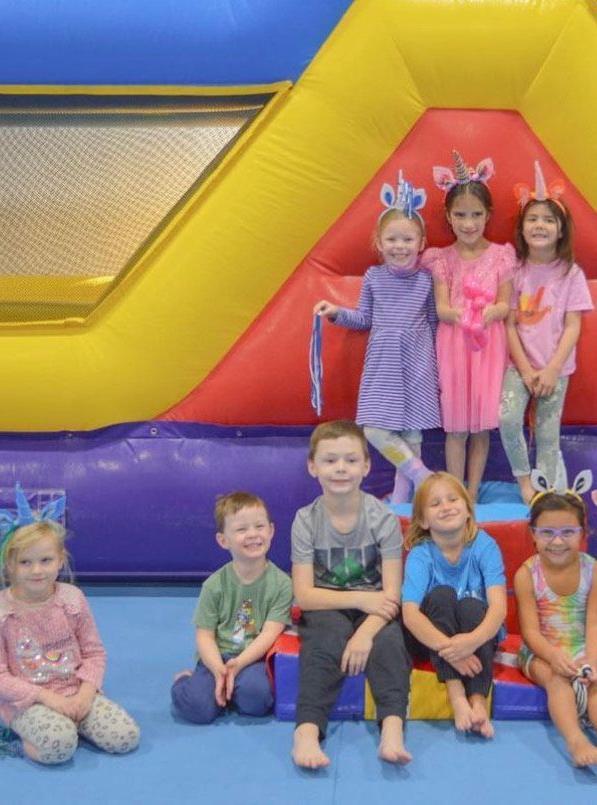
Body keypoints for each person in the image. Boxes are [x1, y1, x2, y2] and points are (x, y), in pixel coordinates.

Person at [0, 486, 139, 764]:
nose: (37, 570)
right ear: (10, 565)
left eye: (45, 560)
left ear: (60, 560)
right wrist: (48, 699)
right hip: (30, 701)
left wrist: (85, 696)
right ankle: (41, 730)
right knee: (59, 747)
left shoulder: (72, 599)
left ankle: (72, 723)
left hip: (76, 692)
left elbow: (94, 653)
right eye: (25, 562)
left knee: (126, 737)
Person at [290, 420, 412, 768]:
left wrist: (364, 632)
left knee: (389, 644)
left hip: (378, 610)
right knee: (324, 641)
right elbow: (305, 596)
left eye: (350, 460)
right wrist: (359, 599)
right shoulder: (306, 520)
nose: (340, 468)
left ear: (366, 466)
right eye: (330, 461)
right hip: (332, 604)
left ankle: (392, 728)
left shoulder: (383, 519)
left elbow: (392, 594)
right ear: (313, 467)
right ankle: (307, 732)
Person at [314, 171, 441, 504]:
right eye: (392, 240)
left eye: (408, 240)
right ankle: (425, 478)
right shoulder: (373, 276)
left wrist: (442, 368)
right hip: (384, 363)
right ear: (380, 242)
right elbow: (364, 318)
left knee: (412, 435)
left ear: (421, 243)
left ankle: (401, 501)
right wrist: (336, 312)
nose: (400, 247)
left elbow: (434, 322)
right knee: (375, 429)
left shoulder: (428, 279)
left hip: (417, 361)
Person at [422, 150, 514, 499]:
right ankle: (455, 489)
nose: (469, 223)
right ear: (449, 216)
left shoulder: (502, 255)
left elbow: (506, 302)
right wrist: (465, 314)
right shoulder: (441, 258)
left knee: (482, 428)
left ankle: (472, 490)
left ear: (488, 215)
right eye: (461, 215)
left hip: (488, 346)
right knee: (457, 426)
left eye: (476, 215)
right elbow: (443, 307)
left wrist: (492, 311)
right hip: (455, 345)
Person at [500, 162, 593, 503]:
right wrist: (525, 370)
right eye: (533, 219)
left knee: (547, 434)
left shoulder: (571, 274)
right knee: (508, 418)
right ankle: (526, 482)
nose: (540, 225)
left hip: (557, 369)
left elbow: (573, 325)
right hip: (518, 366)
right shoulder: (515, 271)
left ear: (561, 229)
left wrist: (552, 369)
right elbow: (509, 323)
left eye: (548, 219)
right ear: (522, 227)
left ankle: (545, 491)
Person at [514, 490, 597, 767]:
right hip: (540, 652)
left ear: (582, 532)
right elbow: (530, 632)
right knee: (558, 682)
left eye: (568, 532)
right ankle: (576, 740)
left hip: (584, 647)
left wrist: (592, 658)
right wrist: (552, 656)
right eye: (547, 532)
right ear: (533, 534)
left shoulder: (594, 570)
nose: (558, 541)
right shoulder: (527, 574)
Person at [400, 472, 507, 738]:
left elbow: (498, 609)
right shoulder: (421, 554)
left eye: (452, 499)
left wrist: (470, 642)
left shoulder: (484, 545)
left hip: (477, 637)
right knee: (442, 594)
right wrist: (451, 651)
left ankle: (478, 701)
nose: (446, 507)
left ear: (468, 510)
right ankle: (457, 694)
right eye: (435, 504)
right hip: (434, 640)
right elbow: (411, 615)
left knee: (471, 605)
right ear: (423, 520)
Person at [171, 491, 292, 723]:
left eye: (259, 526)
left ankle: (231, 690)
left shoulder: (282, 584)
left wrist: (238, 664)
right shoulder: (214, 585)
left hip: (252, 657)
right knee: (198, 709)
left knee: (257, 701)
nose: (253, 535)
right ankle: (185, 680)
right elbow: (204, 635)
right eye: (241, 529)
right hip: (217, 655)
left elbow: (270, 633)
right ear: (223, 540)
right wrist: (219, 669)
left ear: (271, 530)